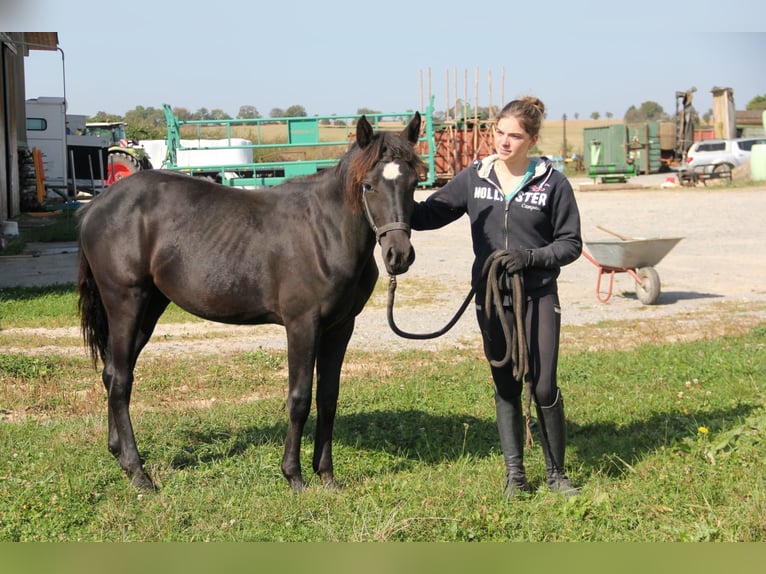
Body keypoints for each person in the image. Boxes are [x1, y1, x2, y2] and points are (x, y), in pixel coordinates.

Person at [411, 96, 582, 497]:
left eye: (515, 136)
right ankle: (515, 475)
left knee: (542, 386)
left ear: (533, 139)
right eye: (499, 132)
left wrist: (531, 258)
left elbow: (571, 243)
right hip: (491, 298)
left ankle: (556, 474)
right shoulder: (475, 177)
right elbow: (429, 214)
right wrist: (392, 192)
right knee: (505, 384)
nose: (504, 142)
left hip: (537, 294)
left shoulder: (552, 182)